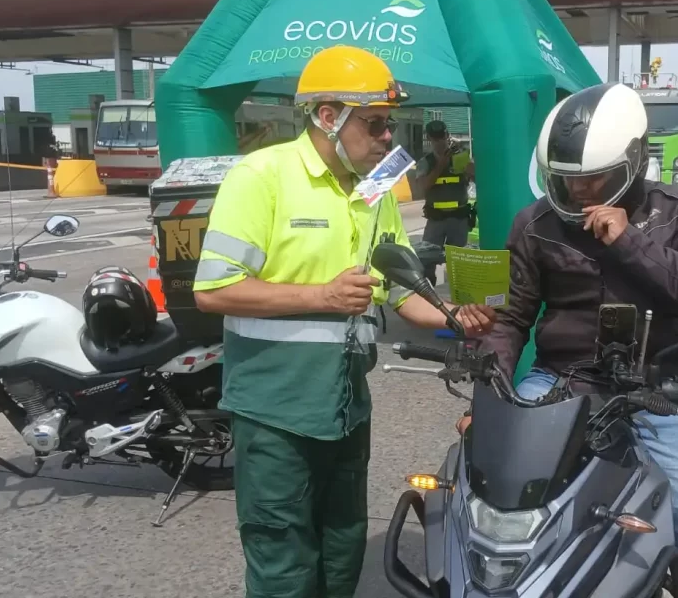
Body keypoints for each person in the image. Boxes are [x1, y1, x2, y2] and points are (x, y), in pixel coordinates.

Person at [192, 45, 496, 598]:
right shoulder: (261, 176)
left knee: (342, 554)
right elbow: (214, 290)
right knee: (283, 561)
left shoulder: (374, 188)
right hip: (275, 412)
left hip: (346, 410)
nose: (388, 139)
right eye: (376, 124)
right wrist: (324, 295)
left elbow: (399, 293)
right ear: (328, 117)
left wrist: (457, 320)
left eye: (390, 125)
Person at [471, 82, 678, 597]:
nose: (579, 193)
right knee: (497, 512)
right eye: (567, 180)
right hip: (560, 382)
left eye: (595, 178)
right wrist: (490, 396)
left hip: (656, 392)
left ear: (633, 160)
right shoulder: (534, 224)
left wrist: (630, 243)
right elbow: (510, 319)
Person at [414, 119, 474, 283]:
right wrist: (441, 165)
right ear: (430, 139)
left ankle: (461, 297)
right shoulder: (426, 162)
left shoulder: (460, 156)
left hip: (459, 219)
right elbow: (423, 187)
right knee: (426, 259)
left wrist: (465, 163)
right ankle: (428, 293)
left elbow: (477, 177)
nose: (439, 141)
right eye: (435, 138)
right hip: (436, 220)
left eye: (442, 137)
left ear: (447, 136)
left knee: (459, 262)